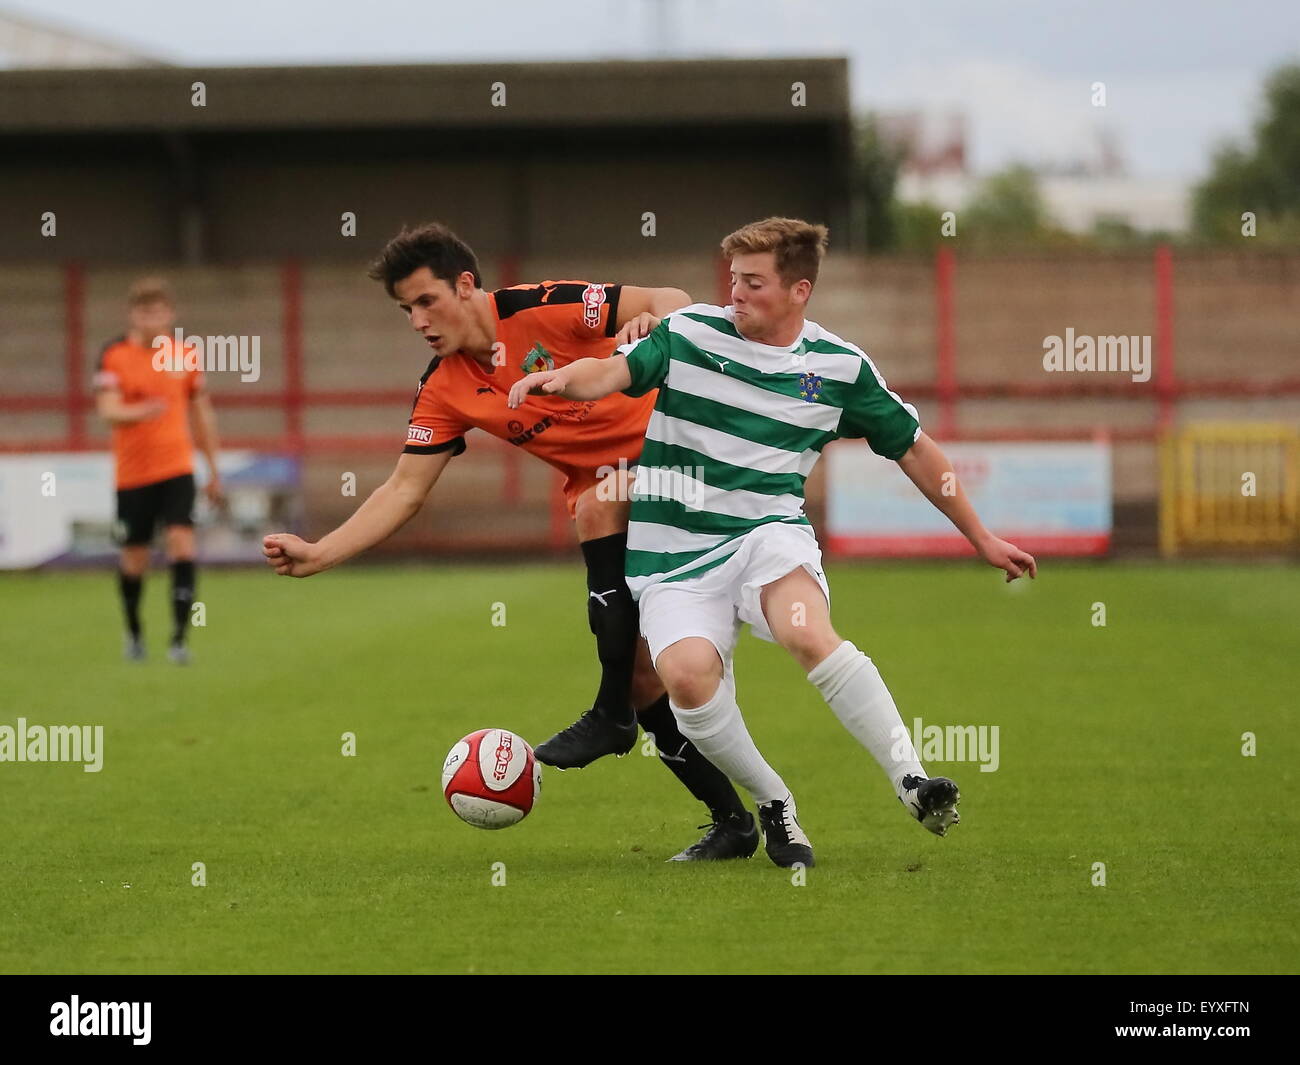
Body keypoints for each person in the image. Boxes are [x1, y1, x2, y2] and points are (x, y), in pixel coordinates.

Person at [509, 217, 1038, 867]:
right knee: (685, 677)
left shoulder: (838, 368)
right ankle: (773, 802)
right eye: (733, 279)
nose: (736, 293)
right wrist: (564, 380)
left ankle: (911, 779)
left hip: (768, 535)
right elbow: (614, 373)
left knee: (807, 631)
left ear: (799, 290)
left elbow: (915, 449)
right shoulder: (689, 333)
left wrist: (980, 536)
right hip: (674, 554)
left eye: (753, 283)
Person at [263, 223, 759, 861]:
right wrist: (320, 552)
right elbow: (403, 490)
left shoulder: (541, 306)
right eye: (405, 309)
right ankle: (734, 821)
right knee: (646, 677)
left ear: (466, 285)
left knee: (596, 506)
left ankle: (610, 716)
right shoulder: (444, 387)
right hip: (615, 501)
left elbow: (671, 296)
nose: (417, 320)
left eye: (426, 301)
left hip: (685, 461)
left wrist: (653, 325)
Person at [94, 277, 224, 664]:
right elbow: (107, 410)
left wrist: (214, 469)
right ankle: (134, 631)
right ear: (132, 315)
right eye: (144, 312)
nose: (152, 320)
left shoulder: (184, 355)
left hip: (177, 467)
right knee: (135, 558)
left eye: (158, 312)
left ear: (169, 314)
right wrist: (140, 411)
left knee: (182, 544)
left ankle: (179, 640)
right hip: (133, 475)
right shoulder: (113, 355)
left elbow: (202, 415)